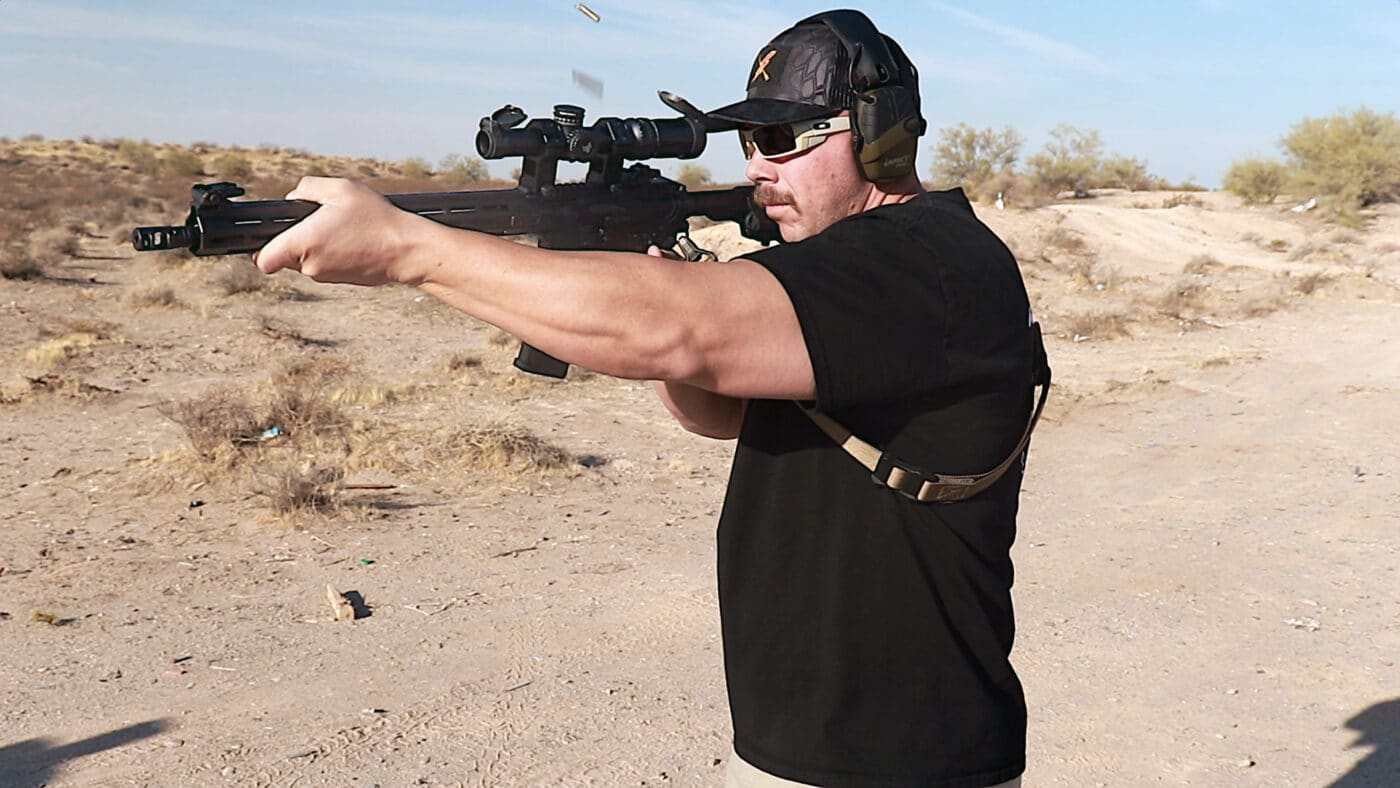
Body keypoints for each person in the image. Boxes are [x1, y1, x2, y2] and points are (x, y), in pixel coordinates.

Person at [254, 9, 1044, 787]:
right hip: (799, 736)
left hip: (908, 754)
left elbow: (678, 333)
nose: (756, 168)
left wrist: (406, 248)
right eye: (745, 142)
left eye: (778, 141)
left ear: (880, 134)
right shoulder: (845, 266)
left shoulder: (929, 262)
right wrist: (639, 261)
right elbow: (719, 410)